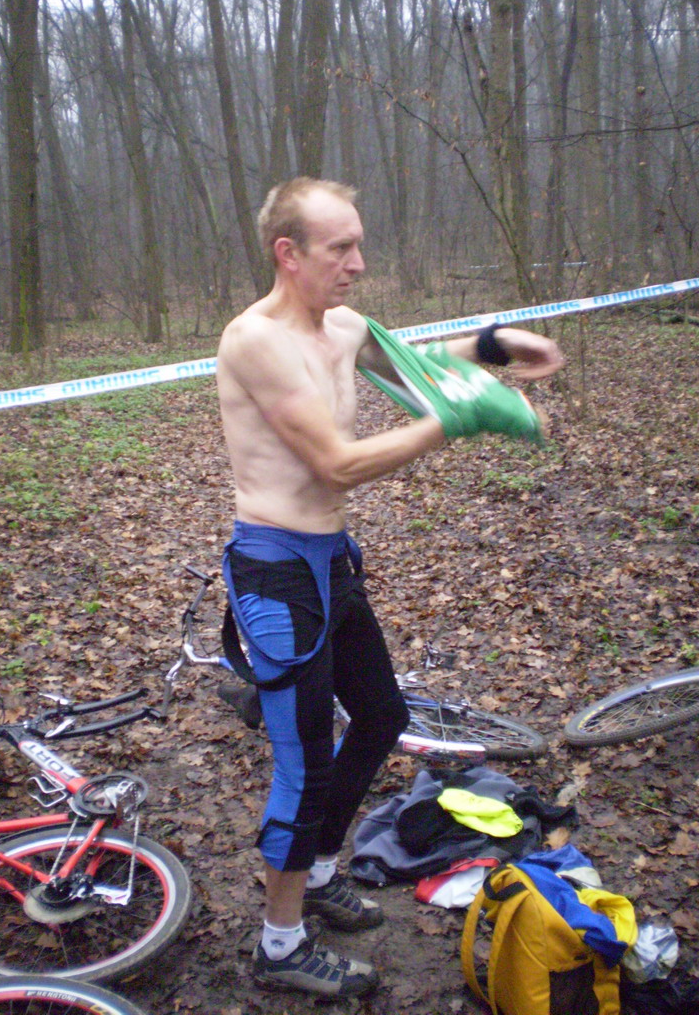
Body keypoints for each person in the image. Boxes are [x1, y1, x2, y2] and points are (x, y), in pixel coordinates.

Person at [216, 177, 564, 998]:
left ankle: (319, 871)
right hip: (276, 573)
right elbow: (337, 463)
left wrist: (497, 343)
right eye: (341, 248)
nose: (359, 264)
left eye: (359, 245)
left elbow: (414, 364)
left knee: (382, 716)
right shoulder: (256, 341)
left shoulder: (342, 326)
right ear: (288, 252)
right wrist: (463, 418)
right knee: (302, 766)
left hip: (331, 562)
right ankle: (278, 945)